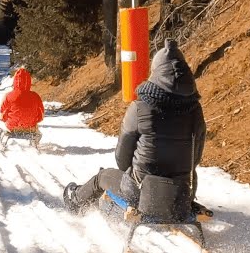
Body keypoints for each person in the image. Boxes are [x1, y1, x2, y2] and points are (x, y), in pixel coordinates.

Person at [62, 39, 206, 217]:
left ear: (156, 72)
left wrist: (131, 175)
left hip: (141, 192)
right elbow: (196, 155)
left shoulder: (141, 106)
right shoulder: (195, 109)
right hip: (181, 193)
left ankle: (75, 201)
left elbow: (122, 156)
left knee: (103, 176)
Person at [0, 66, 45, 145]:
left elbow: (1, 113)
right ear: (29, 81)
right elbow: (41, 114)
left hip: (12, 128)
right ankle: (34, 143)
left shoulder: (9, 95)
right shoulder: (35, 96)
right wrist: (36, 120)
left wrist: (4, 119)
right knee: (39, 134)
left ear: (15, 81)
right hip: (30, 128)